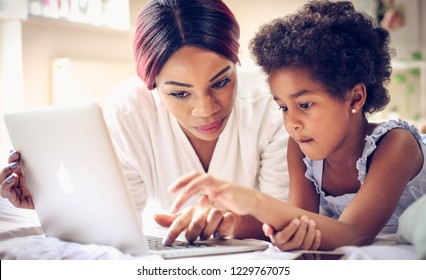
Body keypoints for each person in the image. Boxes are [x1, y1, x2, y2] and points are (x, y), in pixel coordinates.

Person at [0, 0, 319, 250]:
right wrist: (49, 202)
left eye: (221, 82)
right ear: (151, 85)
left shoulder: (271, 104)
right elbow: (114, 217)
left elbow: (285, 214)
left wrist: (229, 221)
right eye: (179, 93)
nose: (205, 110)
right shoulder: (129, 111)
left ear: (237, 62)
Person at [169, 0, 426, 251]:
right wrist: (228, 222)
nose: (291, 123)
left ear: (355, 97)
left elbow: (353, 233)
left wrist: (253, 200)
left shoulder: (395, 144)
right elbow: (301, 220)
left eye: (305, 105)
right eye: (283, 107)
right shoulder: (300, 148)